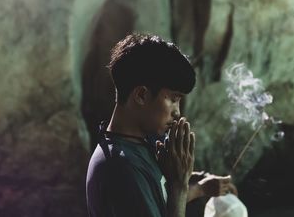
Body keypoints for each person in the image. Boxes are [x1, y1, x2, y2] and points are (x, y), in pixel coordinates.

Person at [86, 33, 237, 217]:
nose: (177, 112)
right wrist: (179, 185)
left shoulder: (136, 145)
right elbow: (168, 193)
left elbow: (157, 196)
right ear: (141, 95)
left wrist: (200, 185)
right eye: (174, 99)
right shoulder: (121, 169)